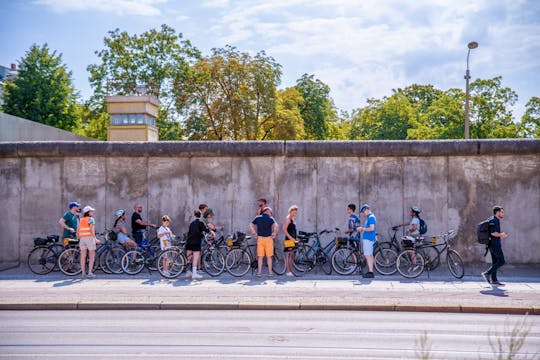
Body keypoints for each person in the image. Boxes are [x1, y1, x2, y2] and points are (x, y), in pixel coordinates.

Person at [482, 206, 508, 286]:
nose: (503, 213)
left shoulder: (493, 219)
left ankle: (494, 280)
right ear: (497, 212)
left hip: (492, 244)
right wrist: (501, 235)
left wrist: (500, 235)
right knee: (501, 261)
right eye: (502, 212)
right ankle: (487, 273)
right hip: (494, 244)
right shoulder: (494, 220)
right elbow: (493, 233)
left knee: (495, 262)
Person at [249, 206, 278, 277]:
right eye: (270, 212)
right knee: (269, 257)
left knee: (260, 257)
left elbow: (250, 225)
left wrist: (254, 233)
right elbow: (276, 226)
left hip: (260, 239)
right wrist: (274, 233)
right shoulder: (271, 218)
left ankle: (259, 273)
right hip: (268, 239)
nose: (271, 214)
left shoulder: (257, 217)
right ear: (267, 211)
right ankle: (270, 273)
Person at [186, 209, 209, 280]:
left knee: (188, 258)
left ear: (194, 215)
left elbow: (189, 233)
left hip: (189, 242)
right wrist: (211, 231)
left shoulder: (191, 223)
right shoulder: (201, 223)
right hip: (196, 242)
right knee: (195, 258)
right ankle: (194, 273)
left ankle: (188, 271)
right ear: (200, 215)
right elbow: (206, 230)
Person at [78, 205, 100, 279]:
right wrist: (95, 239)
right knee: (91, 257)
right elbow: (91, 230)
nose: (92, 212)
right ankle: (90, 272)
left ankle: (83, 273)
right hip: (89, 238)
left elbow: (78, 230)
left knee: (83, 257)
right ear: (88, 212)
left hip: (82, 239)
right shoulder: (91, 219)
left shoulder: (81, 220)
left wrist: (80, 237)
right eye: (91, 211)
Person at [357, 204, 376, 279]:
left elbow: (371, 228)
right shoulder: (370, 217)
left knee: (368, 255)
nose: (363, 213)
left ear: (367, 209)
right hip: (368, 239)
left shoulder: (371, 217)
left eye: (363, 211)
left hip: (368, 239)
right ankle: (371, 271)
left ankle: (370, 272)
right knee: (370, 255)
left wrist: (362, 229)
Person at [282, 205, 298, 276]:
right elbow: (284, 229)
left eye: (296, 213)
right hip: (289, 240)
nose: (295, 214)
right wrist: (291, 238)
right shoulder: (288, 219)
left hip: (293, 239)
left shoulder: (292, 218)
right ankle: (288, 271)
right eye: (294, 212)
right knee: (289, 255)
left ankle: (290, 270)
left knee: (293, 255)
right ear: (290, 211)